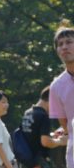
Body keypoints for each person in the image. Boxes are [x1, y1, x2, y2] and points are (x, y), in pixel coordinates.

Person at [21, 86, 65, 168]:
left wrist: (53, 135)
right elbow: (45, 142)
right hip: (39, 162)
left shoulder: (28, 112)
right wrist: (61, 141)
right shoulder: (43, 116)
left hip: (26, 161)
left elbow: (33, 136)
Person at [49, 26, 74, 168]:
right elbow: (66, 126)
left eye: (69, 42)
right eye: (60, 44)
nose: (64, 47)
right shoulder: (56, 87)